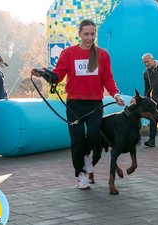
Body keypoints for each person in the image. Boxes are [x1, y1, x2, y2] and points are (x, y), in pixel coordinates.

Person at [31, 19, 125, 190]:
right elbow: (57, 76)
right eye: (86, 34)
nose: (89, 37)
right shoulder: (68, 53)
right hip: (74, 104)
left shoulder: (103, 55)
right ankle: (81, 175)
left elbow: (108, 78)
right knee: (77, 140)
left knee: (95, 135)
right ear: (79, 34)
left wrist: (116, 94)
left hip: (95, 103)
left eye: (92, 34)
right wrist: (43, 73)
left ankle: (85, 156)